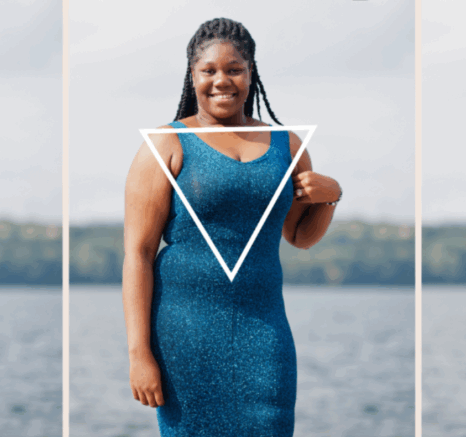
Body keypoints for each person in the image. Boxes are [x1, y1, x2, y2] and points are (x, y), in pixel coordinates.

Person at [122, 17, 342, 436]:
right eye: (208, 70)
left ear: (251, 72)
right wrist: (139, 354)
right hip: (186, 336)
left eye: (234, 69)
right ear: (192, 76)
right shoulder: (165, 143)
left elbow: (300, 237)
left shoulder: (288, 145)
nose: (221, 80)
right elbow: (138, 254)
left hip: (266, 334)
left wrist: (329, 197)